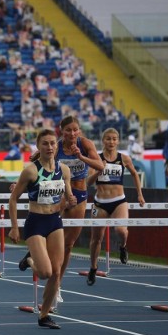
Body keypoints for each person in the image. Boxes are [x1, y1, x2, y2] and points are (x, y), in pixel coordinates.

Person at [19, 116, 104, 305]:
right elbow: (33, 165)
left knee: (68, 245)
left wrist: (80, 156)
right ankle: (37, 256)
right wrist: (17, 183)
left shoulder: (85, 144)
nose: (72, 134)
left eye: (75, 130)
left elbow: (101, 166)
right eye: (68, 130)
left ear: (79, 131)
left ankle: (57, 284)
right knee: (50, 233)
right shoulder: (53, 146)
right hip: (58, 196)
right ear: (61, 131)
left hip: (79, 195)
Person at [8, 129, 77, 329]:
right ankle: (29, 260)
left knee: (56, 273)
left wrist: (70, 201)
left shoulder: (64, 170)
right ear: (38, 146)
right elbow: (13, 200)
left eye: (52, 143)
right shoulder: (31, 171)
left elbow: (68, 198)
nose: (49, 147)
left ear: (57, 145)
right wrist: (14, 228)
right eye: (45, 143)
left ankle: (44, 315)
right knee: (45, 273)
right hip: (36, 223)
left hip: (55, 222)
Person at [86, 128, 146, 285]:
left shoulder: (124, 158)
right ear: (103, 140)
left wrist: (140, 194)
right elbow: (88, 183)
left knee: (120, 230)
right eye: (108, 139)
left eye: (114, 139)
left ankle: (123, 246)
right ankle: (93, 268)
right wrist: (99, 170)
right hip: (100, 203)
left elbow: (134, 174)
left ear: (118, 141)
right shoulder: (96, 158)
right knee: (96, 238)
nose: (111, 142)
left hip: (119, 201)